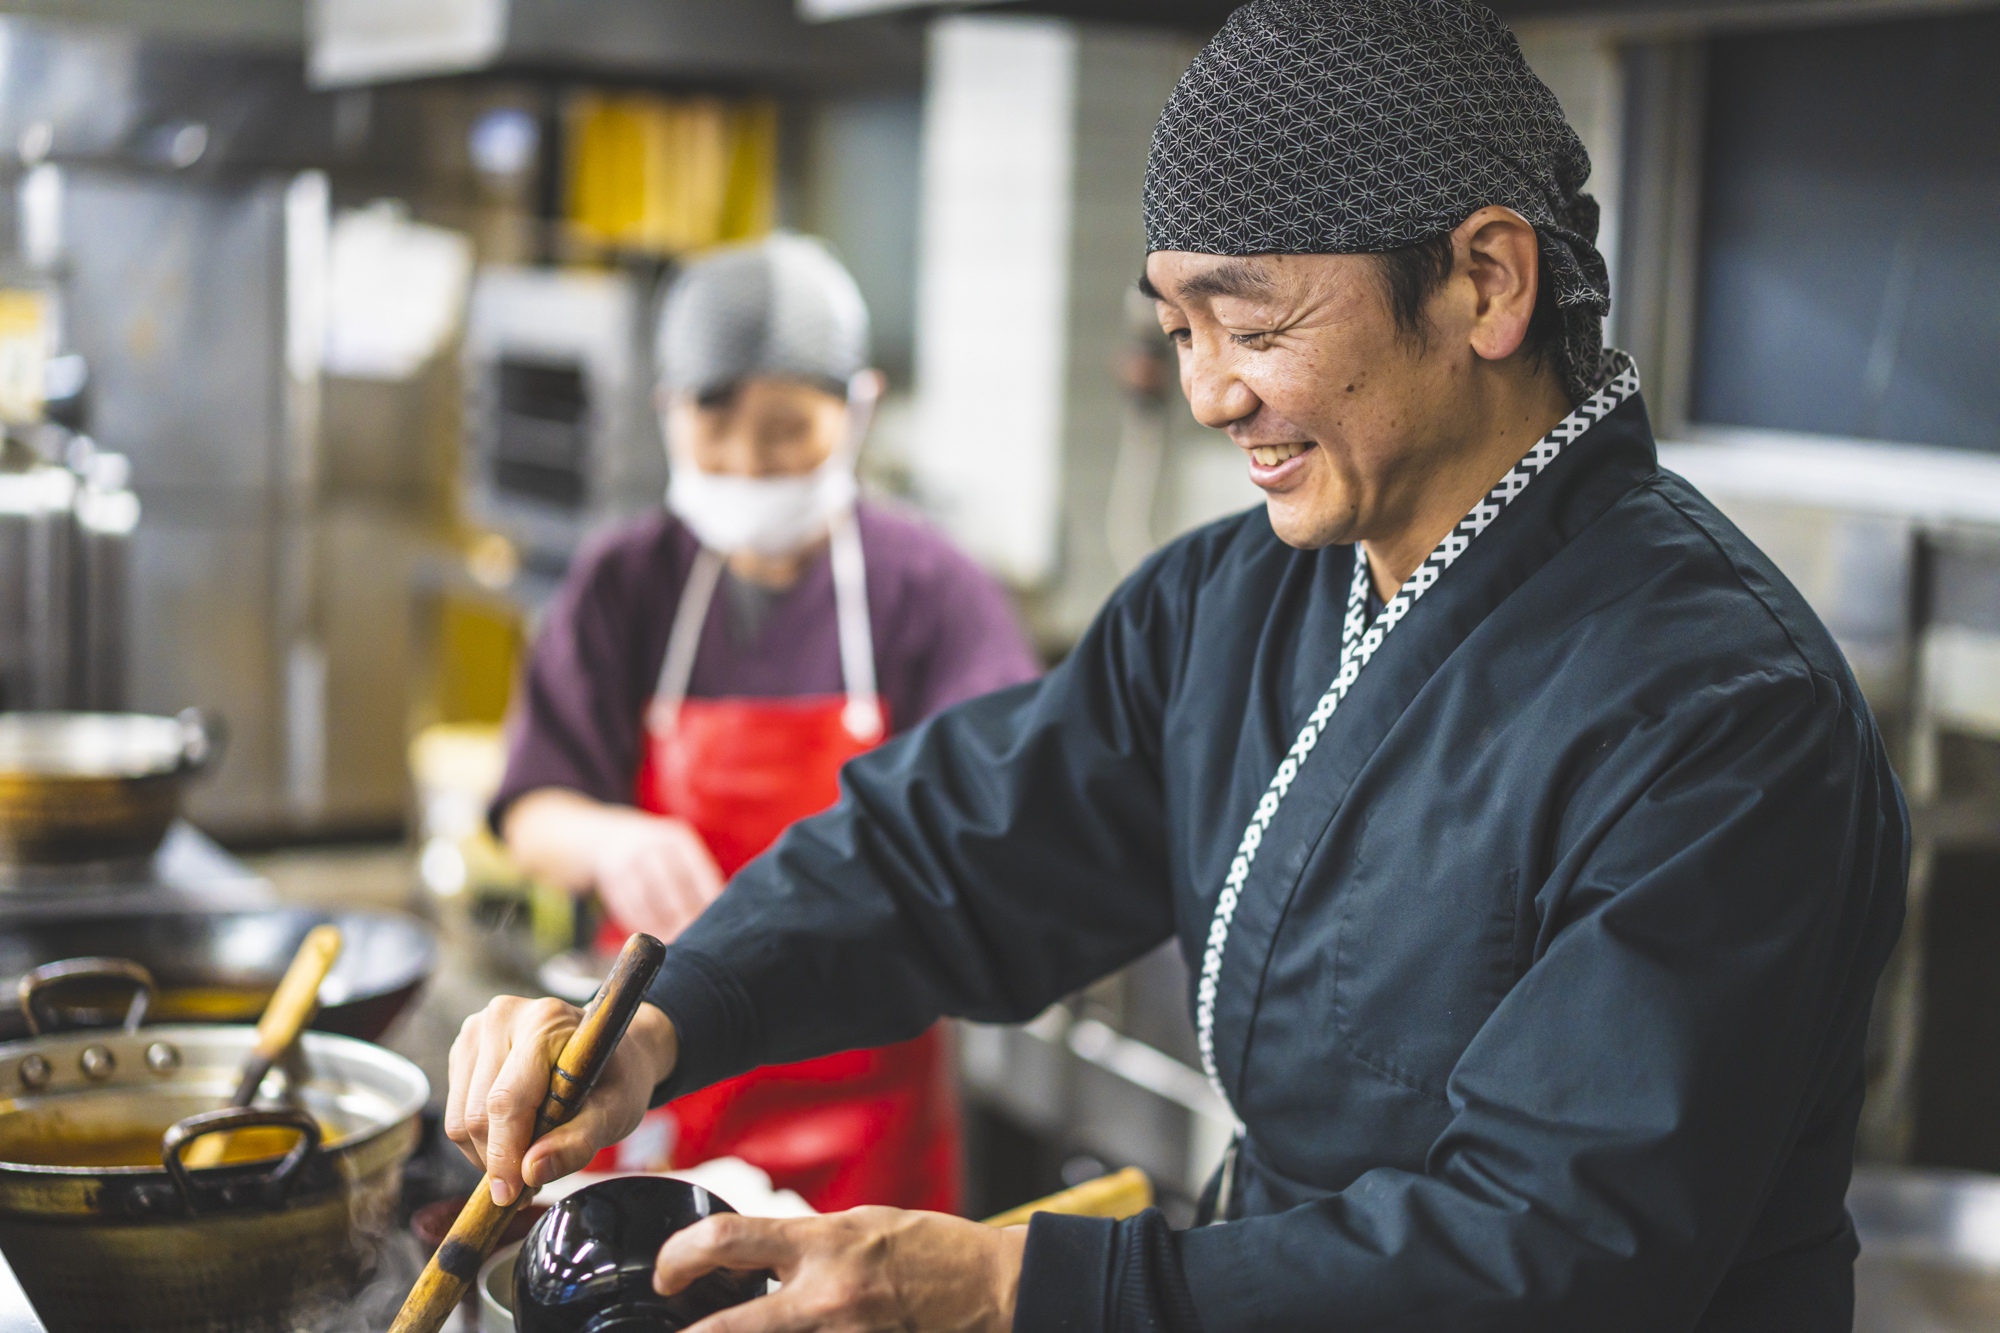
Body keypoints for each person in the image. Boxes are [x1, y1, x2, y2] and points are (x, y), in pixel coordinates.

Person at [450, 4, 1907, 1330]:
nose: (1209, 392)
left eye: (1252, 322)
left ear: (1483, 281)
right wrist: (664, 1017)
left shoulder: (1722, 713)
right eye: (1178, 329)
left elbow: (1556, 1250)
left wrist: (1008, 1283)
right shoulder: (1238, 602)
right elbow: (942, 854)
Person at [489, 232, 1039, 1216]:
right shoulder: (626, 581)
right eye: (718, 430)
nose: (749, 463)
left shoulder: (935, 591)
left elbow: (1002, 810)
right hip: (650, 1076)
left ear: (858, 410)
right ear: (667, 415)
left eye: (787, 431)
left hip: (867, 1116)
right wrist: (613, 838)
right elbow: (530, 803)